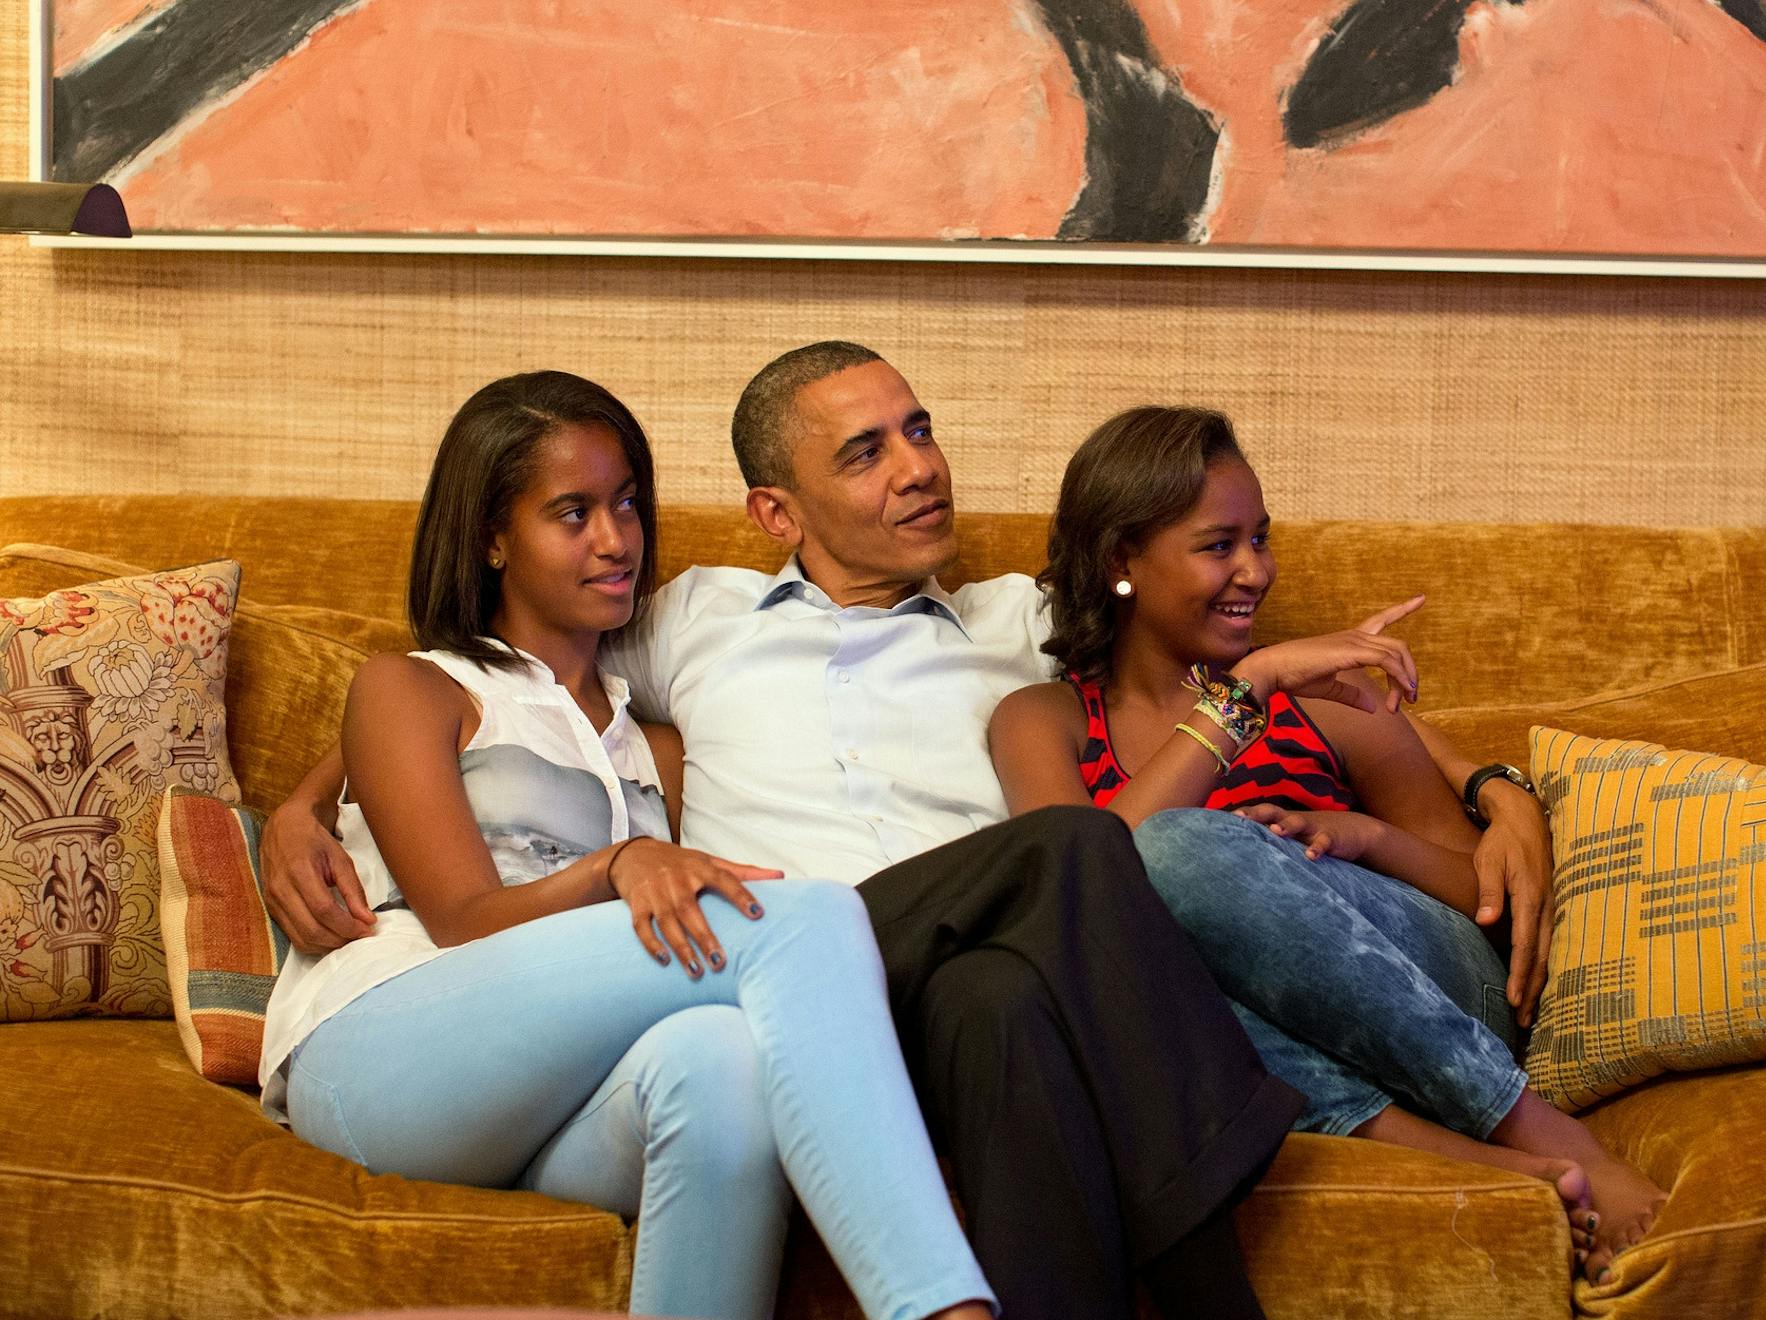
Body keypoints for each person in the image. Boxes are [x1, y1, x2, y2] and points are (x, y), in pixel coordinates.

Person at [260, 345, 1306, 1320]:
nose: (918, 468)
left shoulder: (1014, 624)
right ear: (776, 511)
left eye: (920, 430)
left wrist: (1476, 779)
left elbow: (1189, 620)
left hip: (915, 995)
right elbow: (445, 692)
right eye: (866, 451)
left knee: (992, 1002)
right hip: (771, 961)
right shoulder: (690, 620)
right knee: (1031, 858)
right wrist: (300, 808)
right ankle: (956, 1296)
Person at [258, 371, 995, 1320]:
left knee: (723, 1059)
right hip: (382, 1050)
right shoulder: (417, 687)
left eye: (626, 504)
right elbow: (465, 922)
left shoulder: (653, 743)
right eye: (571, 514)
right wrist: (612, 864)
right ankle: (941, 1309)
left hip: (547, 1090)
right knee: (799, 918)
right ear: (492, 537)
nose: (616, 540)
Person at [988, 405, 1667, 1280]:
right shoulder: (1041, 721)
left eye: (1260, 539)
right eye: (1217, 544)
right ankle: (1475, 1164)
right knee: (1116, 965)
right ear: (1122, 560)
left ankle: (1535, 1123)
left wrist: (1368, 837)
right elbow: (1081, 896)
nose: (1254, 571)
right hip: (1234, 1034)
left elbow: (1478, 900)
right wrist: (1244, 692)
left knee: (1186, 851)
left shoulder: (1329, 699)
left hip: (1433, 996)